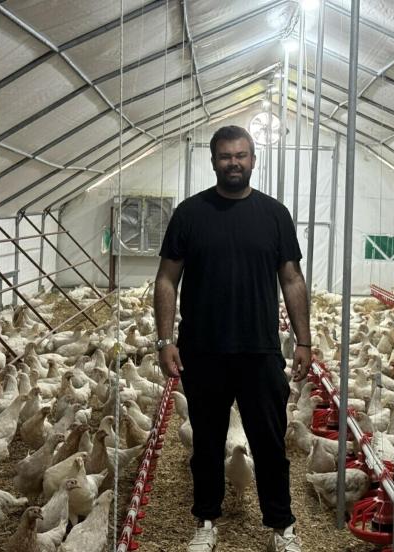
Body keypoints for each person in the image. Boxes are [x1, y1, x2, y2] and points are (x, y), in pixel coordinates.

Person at [154, 125, 311, 552]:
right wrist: (164, 340)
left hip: (260, 350)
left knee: (270, 443)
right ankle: (206, 521)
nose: (234, 163)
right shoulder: (190, 214)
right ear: (213, 161)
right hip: (202, 350)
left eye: (241, 155)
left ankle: (282, 527)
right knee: (206, 444)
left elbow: (292, 279)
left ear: (253, 160)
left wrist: (303, 340)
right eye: (225, 156)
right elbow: (167, 279)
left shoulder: (274, 214)